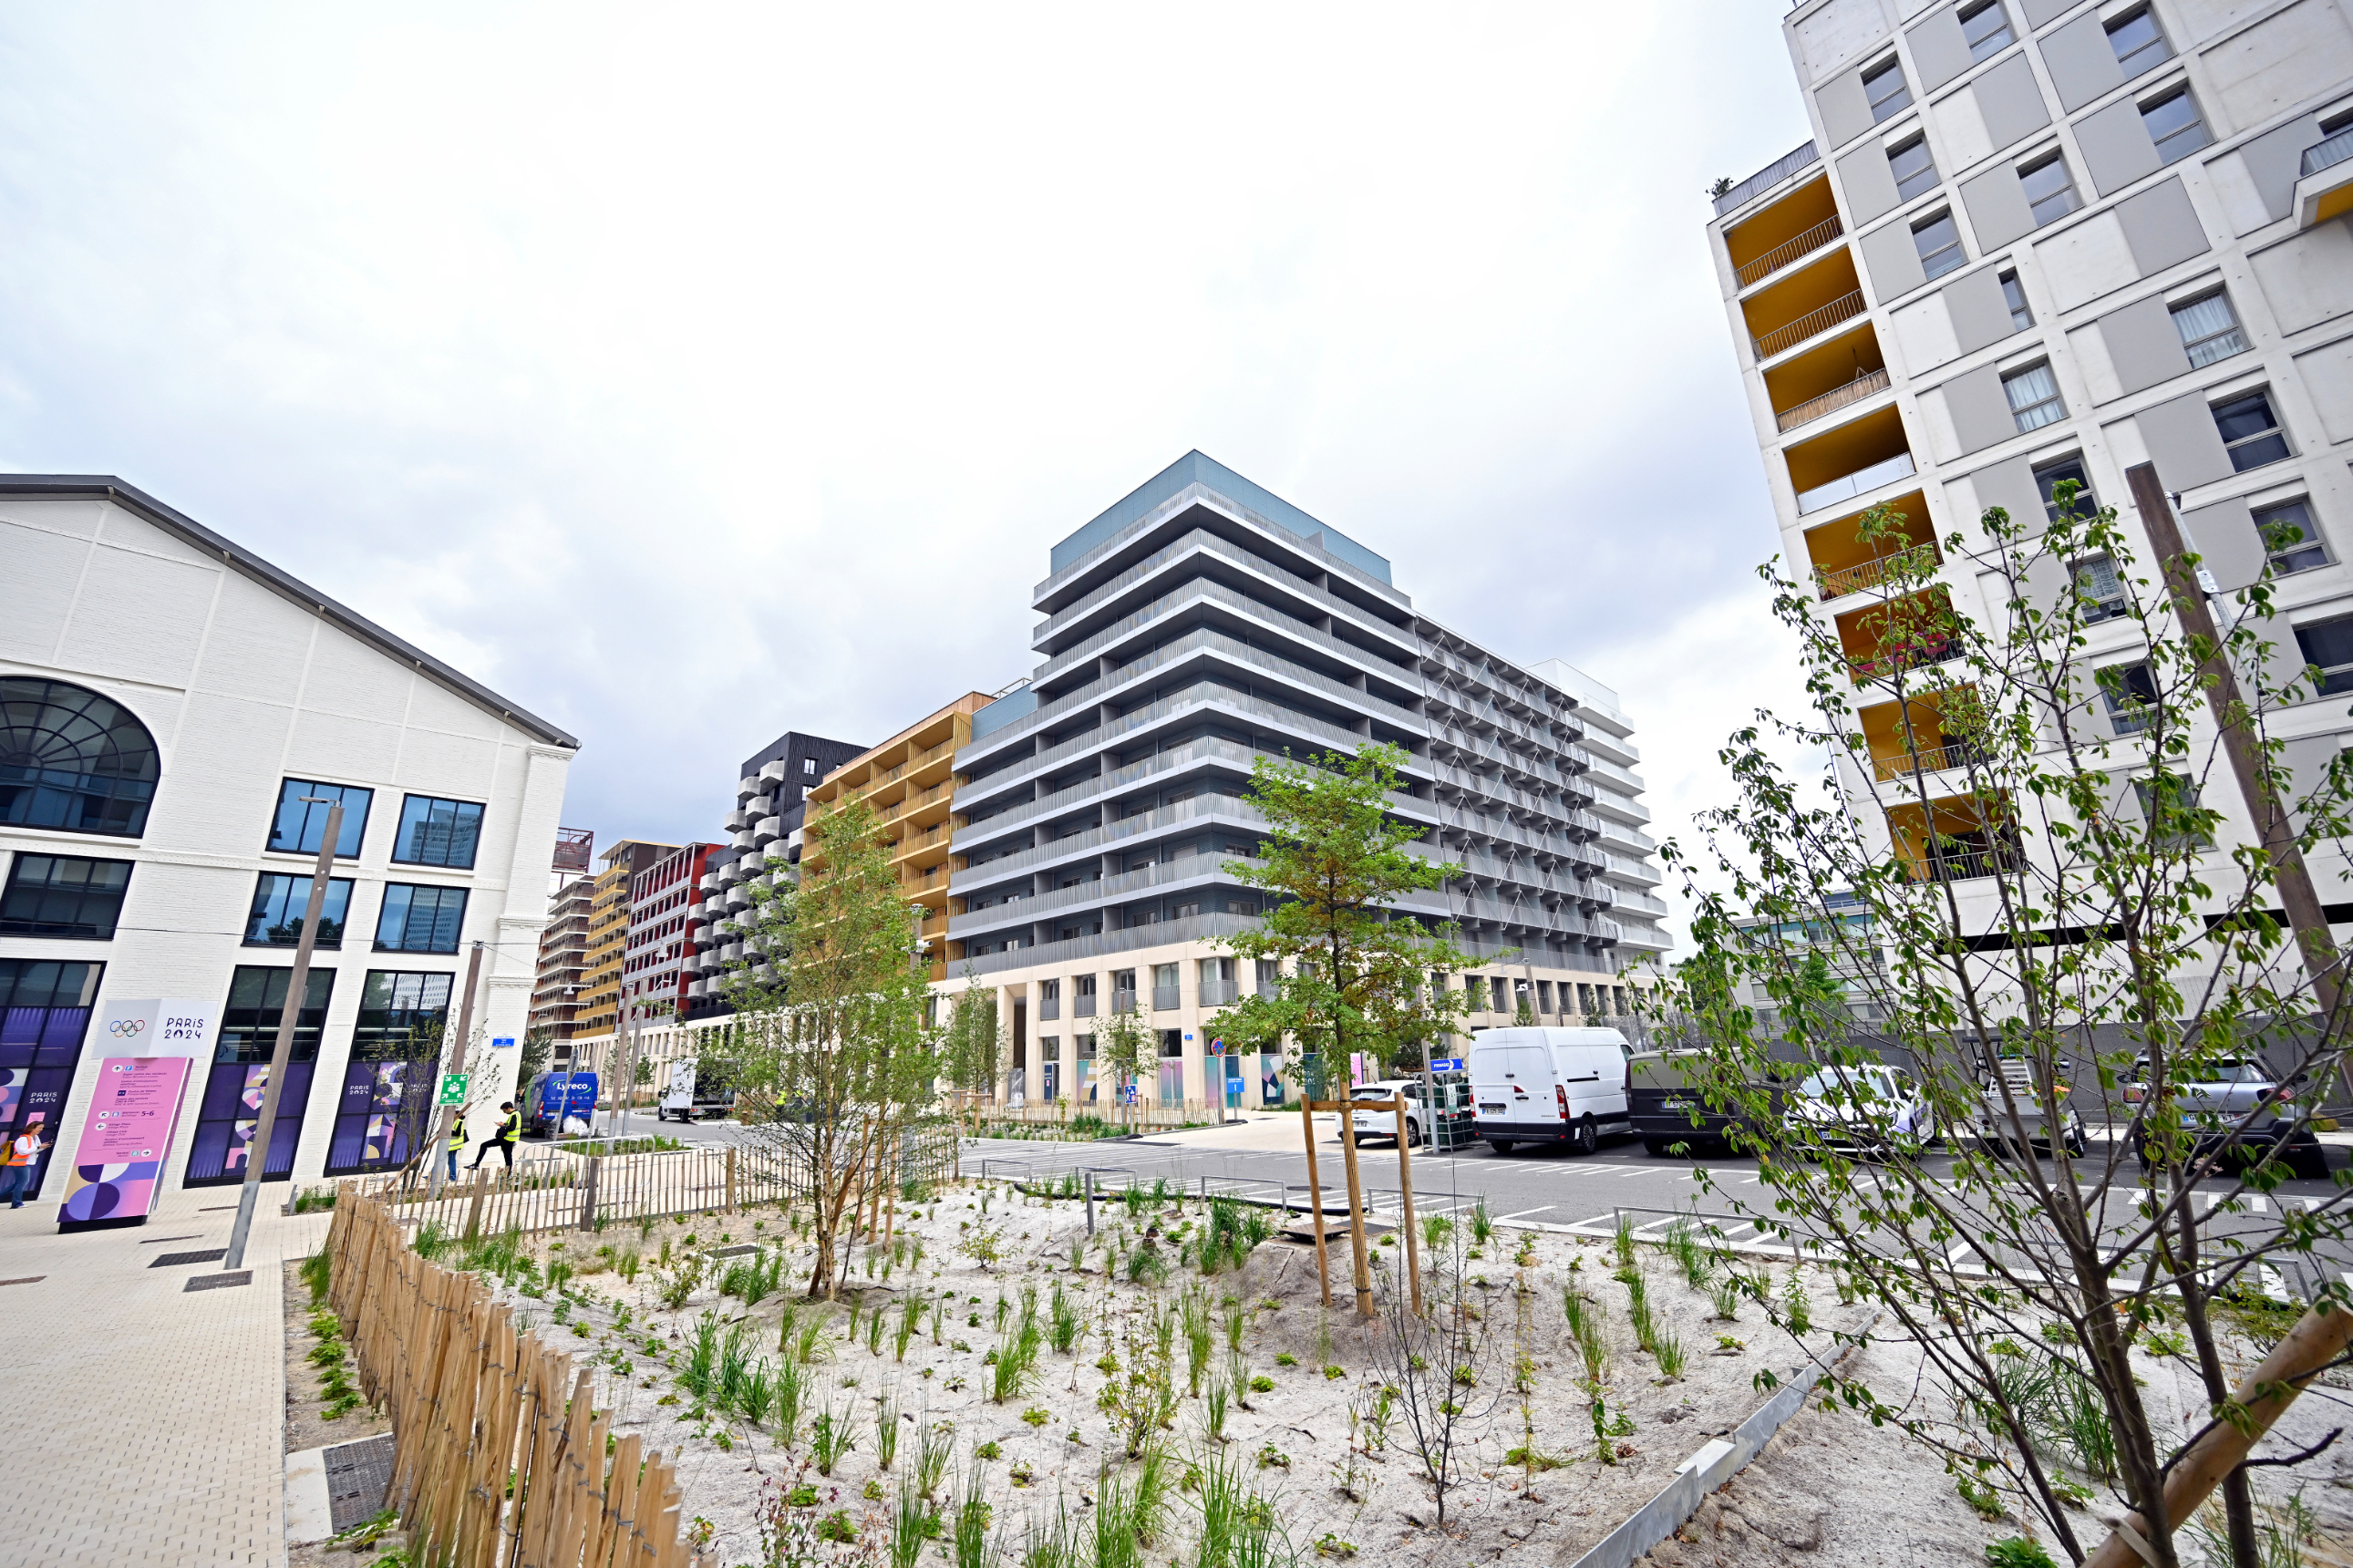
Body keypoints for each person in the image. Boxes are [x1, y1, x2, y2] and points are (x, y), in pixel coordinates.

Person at [2, 1120, 50, 1208]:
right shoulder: (23, 1139)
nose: (41, 1130)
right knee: (22, 1182)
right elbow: (22, 1151)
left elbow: (35, 1150)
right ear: (32, 1128)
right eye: (39, 1128)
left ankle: (15, 1202)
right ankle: (16, 1203)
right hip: (19, 1163)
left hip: (25, 1163)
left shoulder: (35, 1138)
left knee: (18, 1183)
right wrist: (38, 1147)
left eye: (42, 1128)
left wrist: (42, 1147)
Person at [468, 1100, 521, 1170]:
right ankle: (508, 1174)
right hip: (510, 1139)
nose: (504, 1112)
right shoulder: (517, 1113)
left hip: (506, 1139)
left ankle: (476, 1164)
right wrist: (504, 1124)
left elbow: (512, 1128)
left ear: (508, 1108)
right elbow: (513, 1125)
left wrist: (503, 1125)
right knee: (508, 1157)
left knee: (484, 1145)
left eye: (504, 1110)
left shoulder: (514, 1115)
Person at [445, 1115, 467, 1181]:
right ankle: (432, 1175)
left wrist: (448, 1129)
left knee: (451, 1161)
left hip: (453, 1146)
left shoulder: (459, 1121)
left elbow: (457, 1133)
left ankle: (453, 1176)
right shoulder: (455, 1121)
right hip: (451, 1145)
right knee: (443, 1159)